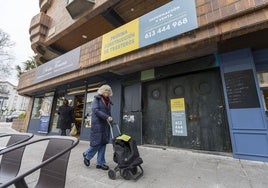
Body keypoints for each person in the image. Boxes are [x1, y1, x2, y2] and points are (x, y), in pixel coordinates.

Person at [83, 84, 113, 170]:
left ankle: (100, 163)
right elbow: (95, 111)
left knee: (103, 142)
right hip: (98, 124)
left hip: (105, 124)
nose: (107, 92)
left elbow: (108, 113)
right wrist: (106, 117)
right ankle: (87, 156)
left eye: (108, 90)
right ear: (101, 91)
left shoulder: (108, 101)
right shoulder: (97, 99)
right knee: (97, 142)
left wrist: (111, 120)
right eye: (105, 90)